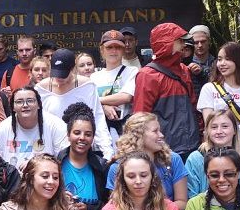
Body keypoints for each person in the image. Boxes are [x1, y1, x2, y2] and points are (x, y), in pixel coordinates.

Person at [131, 23, 200, 159]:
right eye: (179, 40)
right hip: (163, 151)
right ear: (166, 43)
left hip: (192, 146)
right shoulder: (147, 75)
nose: (183, 44)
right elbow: (140, 118)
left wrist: (202, 136)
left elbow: (194, 107)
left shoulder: (184, 71)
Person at [36, 48, 114, 160]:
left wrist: (107, 151)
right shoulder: (41, 88)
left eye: (63, 75)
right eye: (55, 74)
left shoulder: (87, 86)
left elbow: (97, 118)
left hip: (80, 147)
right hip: (50, 148)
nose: (58, 79)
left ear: (73, 69)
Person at [54, 102, 108, 210]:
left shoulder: (102, 166)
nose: (82, 138)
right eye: (77, 133)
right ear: (68, 134)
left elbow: (111, 204)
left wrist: (89, 209)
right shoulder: (56, 163)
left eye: (88, 134)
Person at [107, 112, 188, 210]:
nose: (161, 135)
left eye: (160, 131)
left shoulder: (173, 159)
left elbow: (182, 202)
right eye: (155, 131)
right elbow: (116, 207)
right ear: (139, 136)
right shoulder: (117, 168)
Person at [185, 110, 240, 195]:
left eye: (225, 126)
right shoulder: (195, 159)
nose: (219, 131)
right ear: (207, 131)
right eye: (214, 127)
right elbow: (191, 195)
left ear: (235, 130)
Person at [197, 42, 240, 146]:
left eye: (227, 59)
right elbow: (209, 124)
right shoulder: (209, 88)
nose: (222, 63)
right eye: (219, 59)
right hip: (216, 146)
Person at [0, 86, 68, 170]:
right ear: (13, 107)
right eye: (19, 102)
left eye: (30, 101)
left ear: (38, 105)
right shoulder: (2, 129)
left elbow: (65, 159)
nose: (25, 105)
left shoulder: (56, 125)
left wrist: (36, 164)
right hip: (12, 180)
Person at [92, 30, 140, 140]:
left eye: (118, 47)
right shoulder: (94, 76)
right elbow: (87, 103)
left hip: (124, 134)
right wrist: (104, 107)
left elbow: (125, 97)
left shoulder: (132, 71)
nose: (114, 51)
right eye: (109, 47)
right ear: (102, 50)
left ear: (123, 50)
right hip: (100, 135)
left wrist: (97, 101)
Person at [188, 25, 215, 95]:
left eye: (203, 41)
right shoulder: (185, 63)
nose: (200, 45)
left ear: (209, 41)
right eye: (196, 42)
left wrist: (201, 73)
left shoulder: (218, 63)